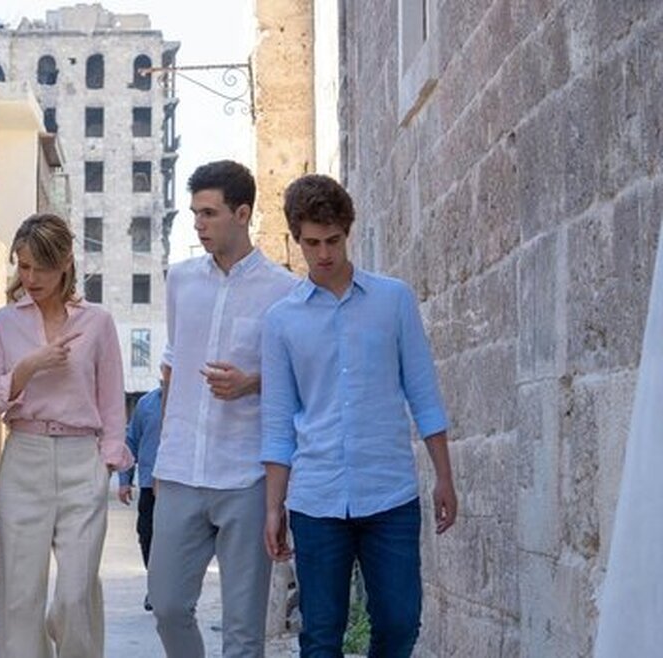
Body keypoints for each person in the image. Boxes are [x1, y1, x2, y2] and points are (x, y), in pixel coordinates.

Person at [262, 174, 458, 657]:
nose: (323, 253)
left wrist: (444, 477)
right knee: (320, 635)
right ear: (296, 238)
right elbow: (278, 421)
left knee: (400, 624)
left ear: (347, 232)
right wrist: (273, 506)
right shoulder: (281, 320)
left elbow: (423, 393)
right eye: (312, 243)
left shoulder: (394, 300)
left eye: (333, 240)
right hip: (316, 497)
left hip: (389, 493)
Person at [148, 160, 297, 658]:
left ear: (243, 213)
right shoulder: (180, 280)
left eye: (209, 213)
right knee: (167, 606)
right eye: (195, 213)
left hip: (246, 476)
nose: (198, 224)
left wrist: (251, 382)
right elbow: (171, 366)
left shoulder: (285, 291)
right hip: (181, 470)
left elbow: (299, 381)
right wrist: (162, 454)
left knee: (243, 631)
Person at [0, 213, 134, 658]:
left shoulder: (97, 322)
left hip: (82, 458)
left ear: (65, 262)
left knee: (74, 595)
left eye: (41, 268)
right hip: (23, 457)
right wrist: (27, 368)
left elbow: (111, 401)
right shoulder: (3, 323)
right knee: (20, 597)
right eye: (23, 266)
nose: (30, 278)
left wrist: (106, 463)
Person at [117, 384, 163, 611]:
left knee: (180, 540)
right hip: (149, 485)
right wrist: (124, 480)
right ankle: (155, 586)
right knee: (147, 535)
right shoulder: (147, 404)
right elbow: (131, 442)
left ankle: (174, 592)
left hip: (180, 486)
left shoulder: (190, 402)